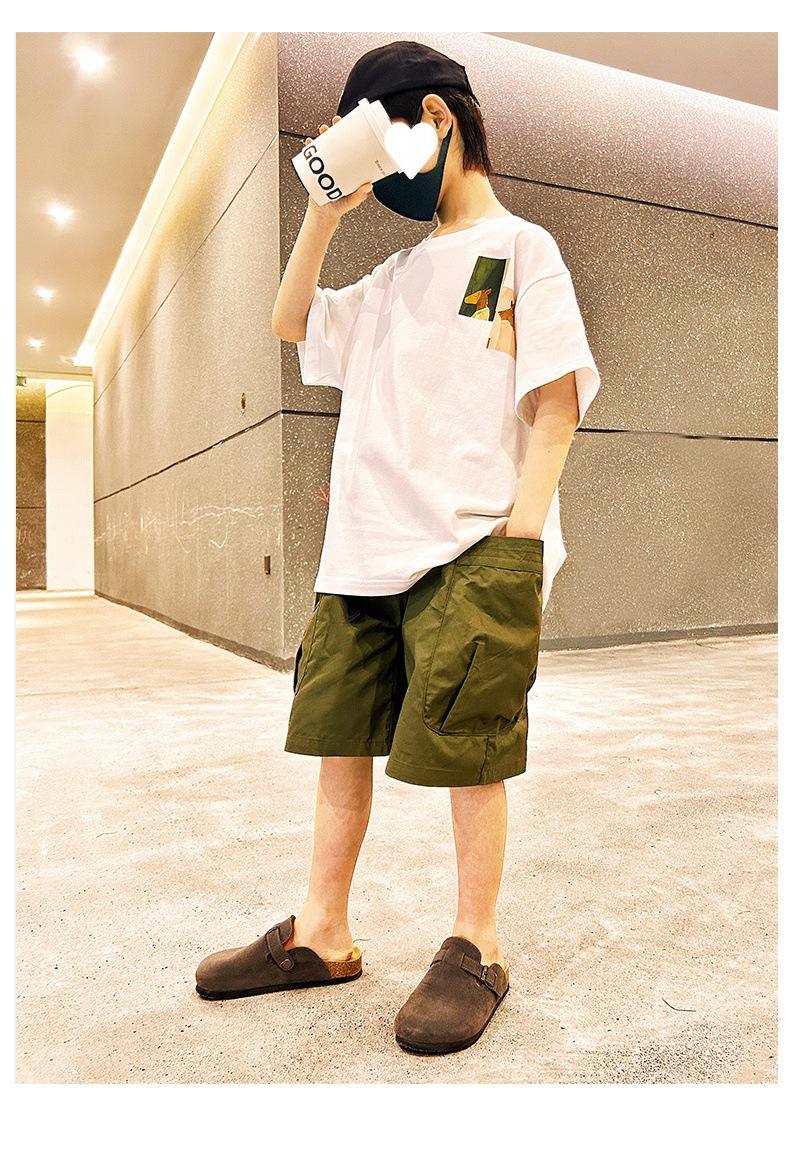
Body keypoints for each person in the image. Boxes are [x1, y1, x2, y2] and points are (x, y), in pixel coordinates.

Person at [195, 41, 601, 1056]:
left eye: (380, 144)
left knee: (470, 749)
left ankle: (477, 943)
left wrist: (517, 541)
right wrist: (324, 212)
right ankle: (323, 933)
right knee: (339, 742)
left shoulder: (521, 251)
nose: (379, 174)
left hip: (470, 545)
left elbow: (556, 407)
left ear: (436, 117)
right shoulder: (391, 274)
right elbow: (291, 320)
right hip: (360, 552)